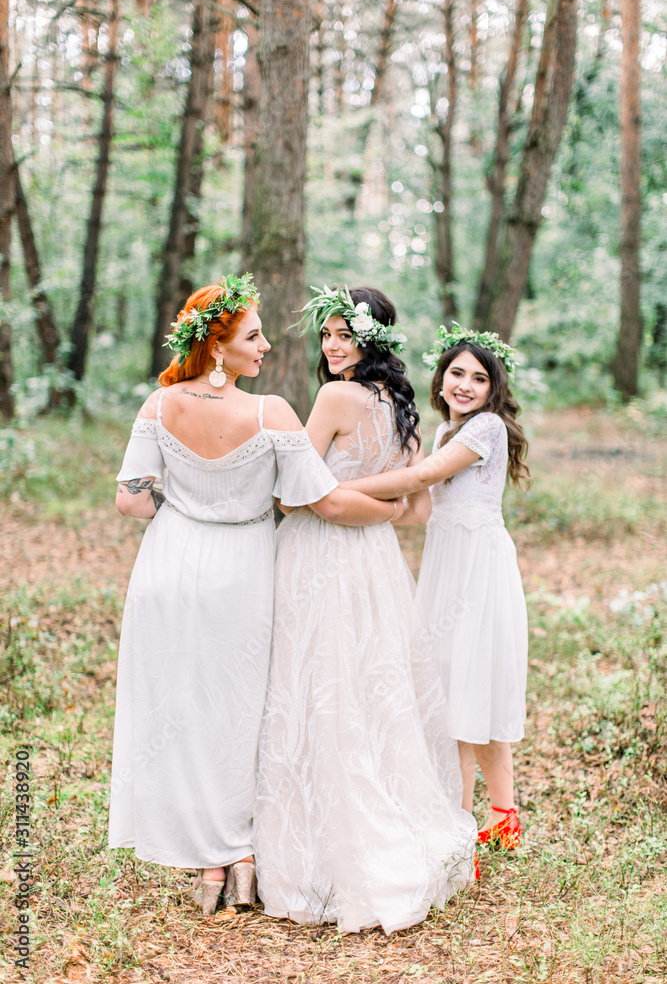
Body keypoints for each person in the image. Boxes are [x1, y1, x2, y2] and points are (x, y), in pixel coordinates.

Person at [108, 275, 398, 916]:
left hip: (169, 563)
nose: (267, 345)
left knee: (180, 711)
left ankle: (206, 861)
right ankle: (237, 855)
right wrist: (392, 509)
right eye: (254, 335)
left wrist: (185, 508)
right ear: (217, 348)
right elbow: (316, 498)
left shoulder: (156, 408)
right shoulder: (273, 414)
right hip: (242, 566)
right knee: (241, 714)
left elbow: (131, 499)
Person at [254, 286, 478, 935]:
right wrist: (373, 506)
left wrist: (331, 493)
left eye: (343, 335)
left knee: (314, 684)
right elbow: (413, 507)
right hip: (377, 562)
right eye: (326, 335)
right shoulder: (398, 404)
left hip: (320, 558)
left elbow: (296, 494)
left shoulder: (333, 397)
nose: (331, 346)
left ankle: (321, 853)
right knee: (367, 688)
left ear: (369, 340)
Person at [341, 323, 530, 849]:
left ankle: (456, 829)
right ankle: (503, 816)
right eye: (456, 373)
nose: (465, 385)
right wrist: (363, 512)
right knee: (458, 687)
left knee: (465, 692)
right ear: (441, 378)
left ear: (494, 389)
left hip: (478, 569)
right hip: (447, 564)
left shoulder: (486, 429)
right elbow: (418, 504)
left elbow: (421, 478)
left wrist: (333, 488)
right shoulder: (444, 431)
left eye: (478, 378)